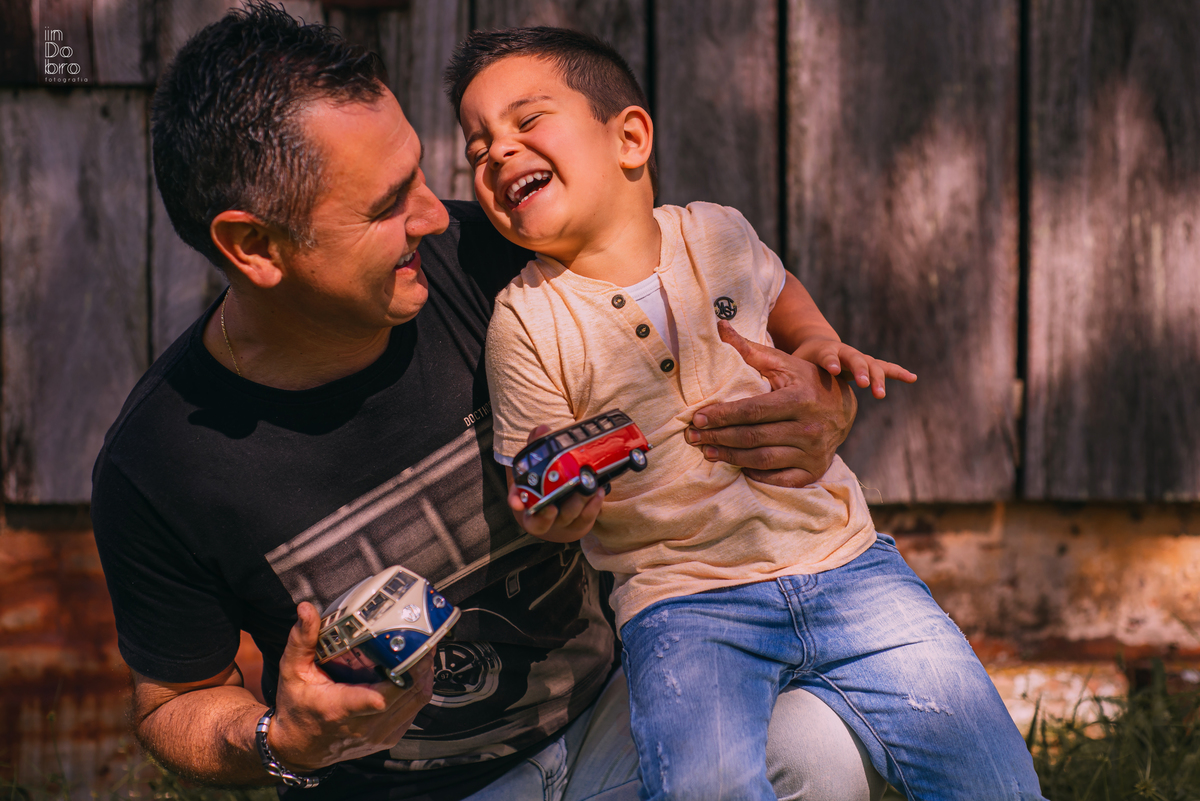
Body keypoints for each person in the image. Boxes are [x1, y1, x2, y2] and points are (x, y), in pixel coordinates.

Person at [90, 4, 885, 800]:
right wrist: (282, 738)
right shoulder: (158, 462)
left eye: (419, 173)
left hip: (619, 719)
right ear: (255, 245)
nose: (435, 215)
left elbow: (718, 338)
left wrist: (824, 408)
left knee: (816, 751)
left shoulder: (503, 261)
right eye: (387, 205)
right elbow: (174, 705)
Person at [448, 27, 1047, 800]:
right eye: (477, 149)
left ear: (629, 139)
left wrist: (821, 345)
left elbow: (781, 290)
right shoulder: (525, 319)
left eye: (527, 121)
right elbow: (534, 489)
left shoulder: (717, 230)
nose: (497, 152)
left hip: (847, 565)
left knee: (988, 770)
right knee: (706, 784)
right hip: (683, 604)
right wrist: (557, 510)